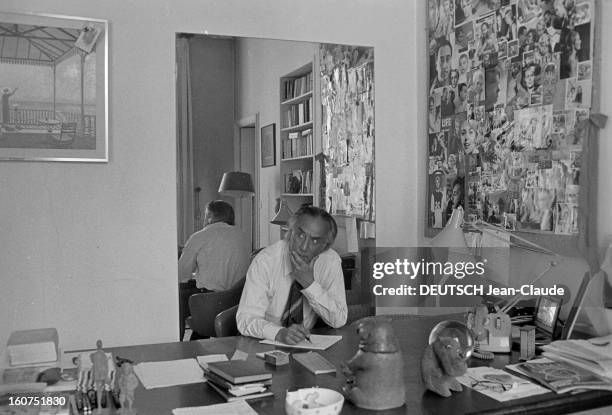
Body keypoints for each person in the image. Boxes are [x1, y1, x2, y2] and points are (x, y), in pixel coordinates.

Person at [237, 206, 347, 344]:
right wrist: (279, 333)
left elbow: (339, 320)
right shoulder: (266, 261)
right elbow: (246, 319)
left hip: (305, 345)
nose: (304, 247)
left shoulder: (330, 261)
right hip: (264, 343)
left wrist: (310, 285)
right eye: (300, 235)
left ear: (325, 247)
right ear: (289, 233)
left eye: (314, 241)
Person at [178, 200, 250, 339]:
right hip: (237, 301)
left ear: (210, 216)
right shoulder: (243, 236)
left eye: (205, 216)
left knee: (179, 295)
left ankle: (179, 340)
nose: (204, 220)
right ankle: (200, 335)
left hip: (210, 302)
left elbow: (181, 274)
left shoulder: (199, 236)